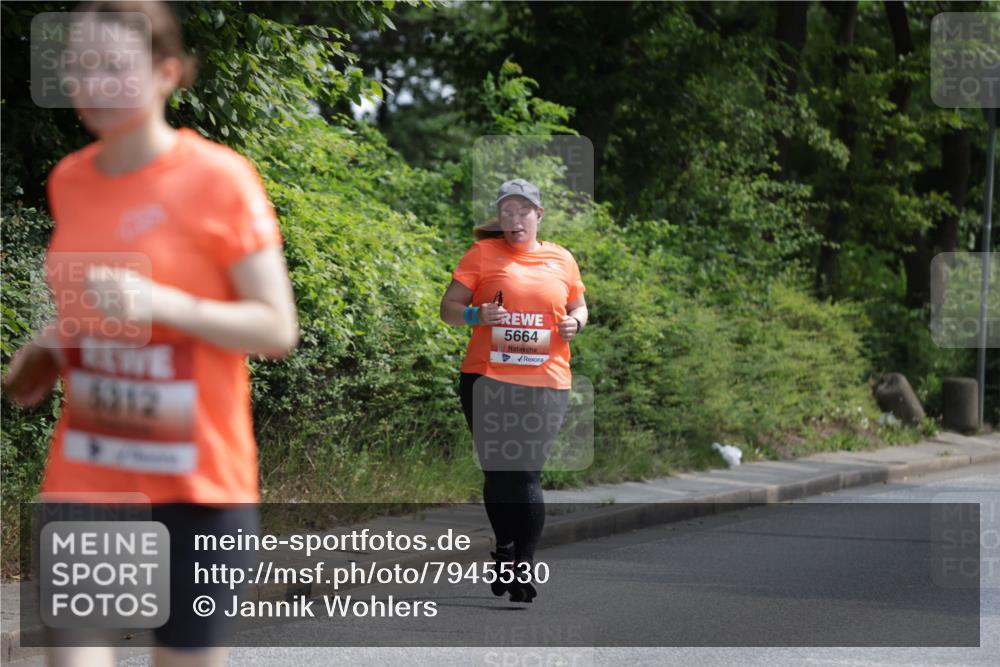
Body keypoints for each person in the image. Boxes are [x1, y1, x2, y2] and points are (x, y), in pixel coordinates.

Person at [2, 2, 298, 665]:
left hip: (198, 486)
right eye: (79, 67)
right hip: (90, 475)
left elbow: (276, 326)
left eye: (114, 67)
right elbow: (96, 315)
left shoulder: (220, 180)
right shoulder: (69, 181)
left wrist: (157, 302)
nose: (92, 84)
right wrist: (52, 348)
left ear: (167, 73)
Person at [440, 178, 588, 603]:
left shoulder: (561, 259)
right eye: (507, 212)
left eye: (523, 211)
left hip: (546, 380)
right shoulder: (482, 254)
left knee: (525, 473)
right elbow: (447, 310)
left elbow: (579, 305)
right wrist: (476, 313)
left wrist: (575, 322)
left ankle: (523, 565)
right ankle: (504, 548)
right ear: (499, 217)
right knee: (499, 473)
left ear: (538, 215)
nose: (514, 219)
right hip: (487, 379)